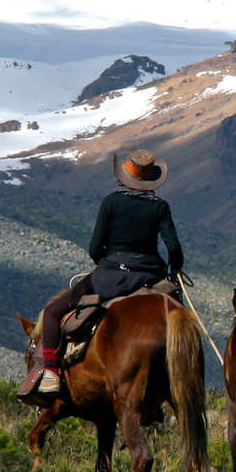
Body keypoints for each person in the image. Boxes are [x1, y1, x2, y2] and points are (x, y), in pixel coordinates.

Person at [19, 148, 185, 404]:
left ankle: (50, 372)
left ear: (124, 177)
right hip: (149, 278)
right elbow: (173, 247)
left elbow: (95, 247)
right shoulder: (160, 207)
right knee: (178, 317)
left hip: (108, 277)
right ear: (150, 180)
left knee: (53, 311)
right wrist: (174, 269)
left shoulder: (111, 202)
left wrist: (106, 264)